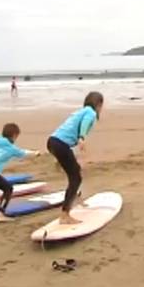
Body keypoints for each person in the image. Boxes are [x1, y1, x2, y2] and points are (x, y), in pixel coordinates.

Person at [47, 92, 103, 225]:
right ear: (99, 104)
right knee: (76, 178)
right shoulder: (90, 113)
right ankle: (65, 215)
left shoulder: (81, 111)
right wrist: (82, 137)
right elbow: (84, 124)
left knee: (75, 171)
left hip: (53, 142)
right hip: (61, 144)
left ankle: (76, 197)